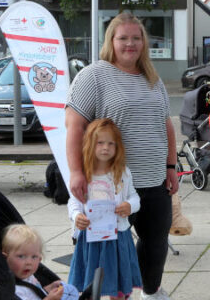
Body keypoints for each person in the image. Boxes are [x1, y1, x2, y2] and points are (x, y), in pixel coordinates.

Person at [66, 12, 178, 300]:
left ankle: (149, 292)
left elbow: (165, 125)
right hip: (111, 183)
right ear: (111, 41)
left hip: (154, 180)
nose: (131, 43)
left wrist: (171, 166)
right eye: (123, 38)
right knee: (104, 250)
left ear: (144, 42)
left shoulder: (153, 78)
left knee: (155, 245)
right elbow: (74, 126)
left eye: (136, 38)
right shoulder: (95, 75)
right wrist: (77, 172)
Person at [67, 118, 142, 299]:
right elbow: (74, 201)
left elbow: (135, 197)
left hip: (118, 236)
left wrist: (129, 206)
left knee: (118, 284)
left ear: (117, 147)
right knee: (91, 286)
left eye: (111, 143)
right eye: (100, 143)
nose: (105, 148)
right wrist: (76, 215)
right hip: (91, 239)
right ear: (90, 144)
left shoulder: (123, 172)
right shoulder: (83, 173)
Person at [2, 224, 78, 300]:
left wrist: (49, 288)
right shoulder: (14, 289)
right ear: (5, 258)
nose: (29, 262)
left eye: (34, 257)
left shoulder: (29, 276)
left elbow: (35, 292)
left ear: (40, 259)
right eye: (21, 256)